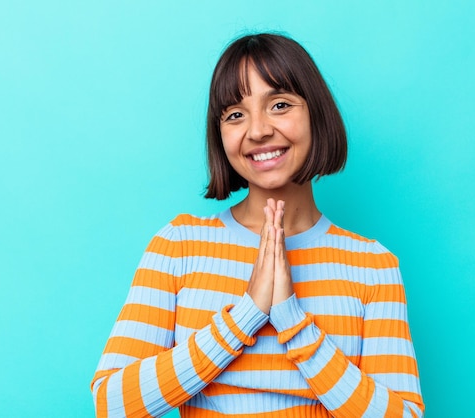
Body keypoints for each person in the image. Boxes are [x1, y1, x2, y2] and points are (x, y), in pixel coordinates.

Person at [91, 33, 424, 418]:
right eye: (235, 114)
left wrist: (291, 320)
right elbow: (112, 404)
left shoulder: (372, 266)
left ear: (316, 113)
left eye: (279, 105)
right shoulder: (178, 246)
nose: (258, 130)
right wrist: (246, 315)